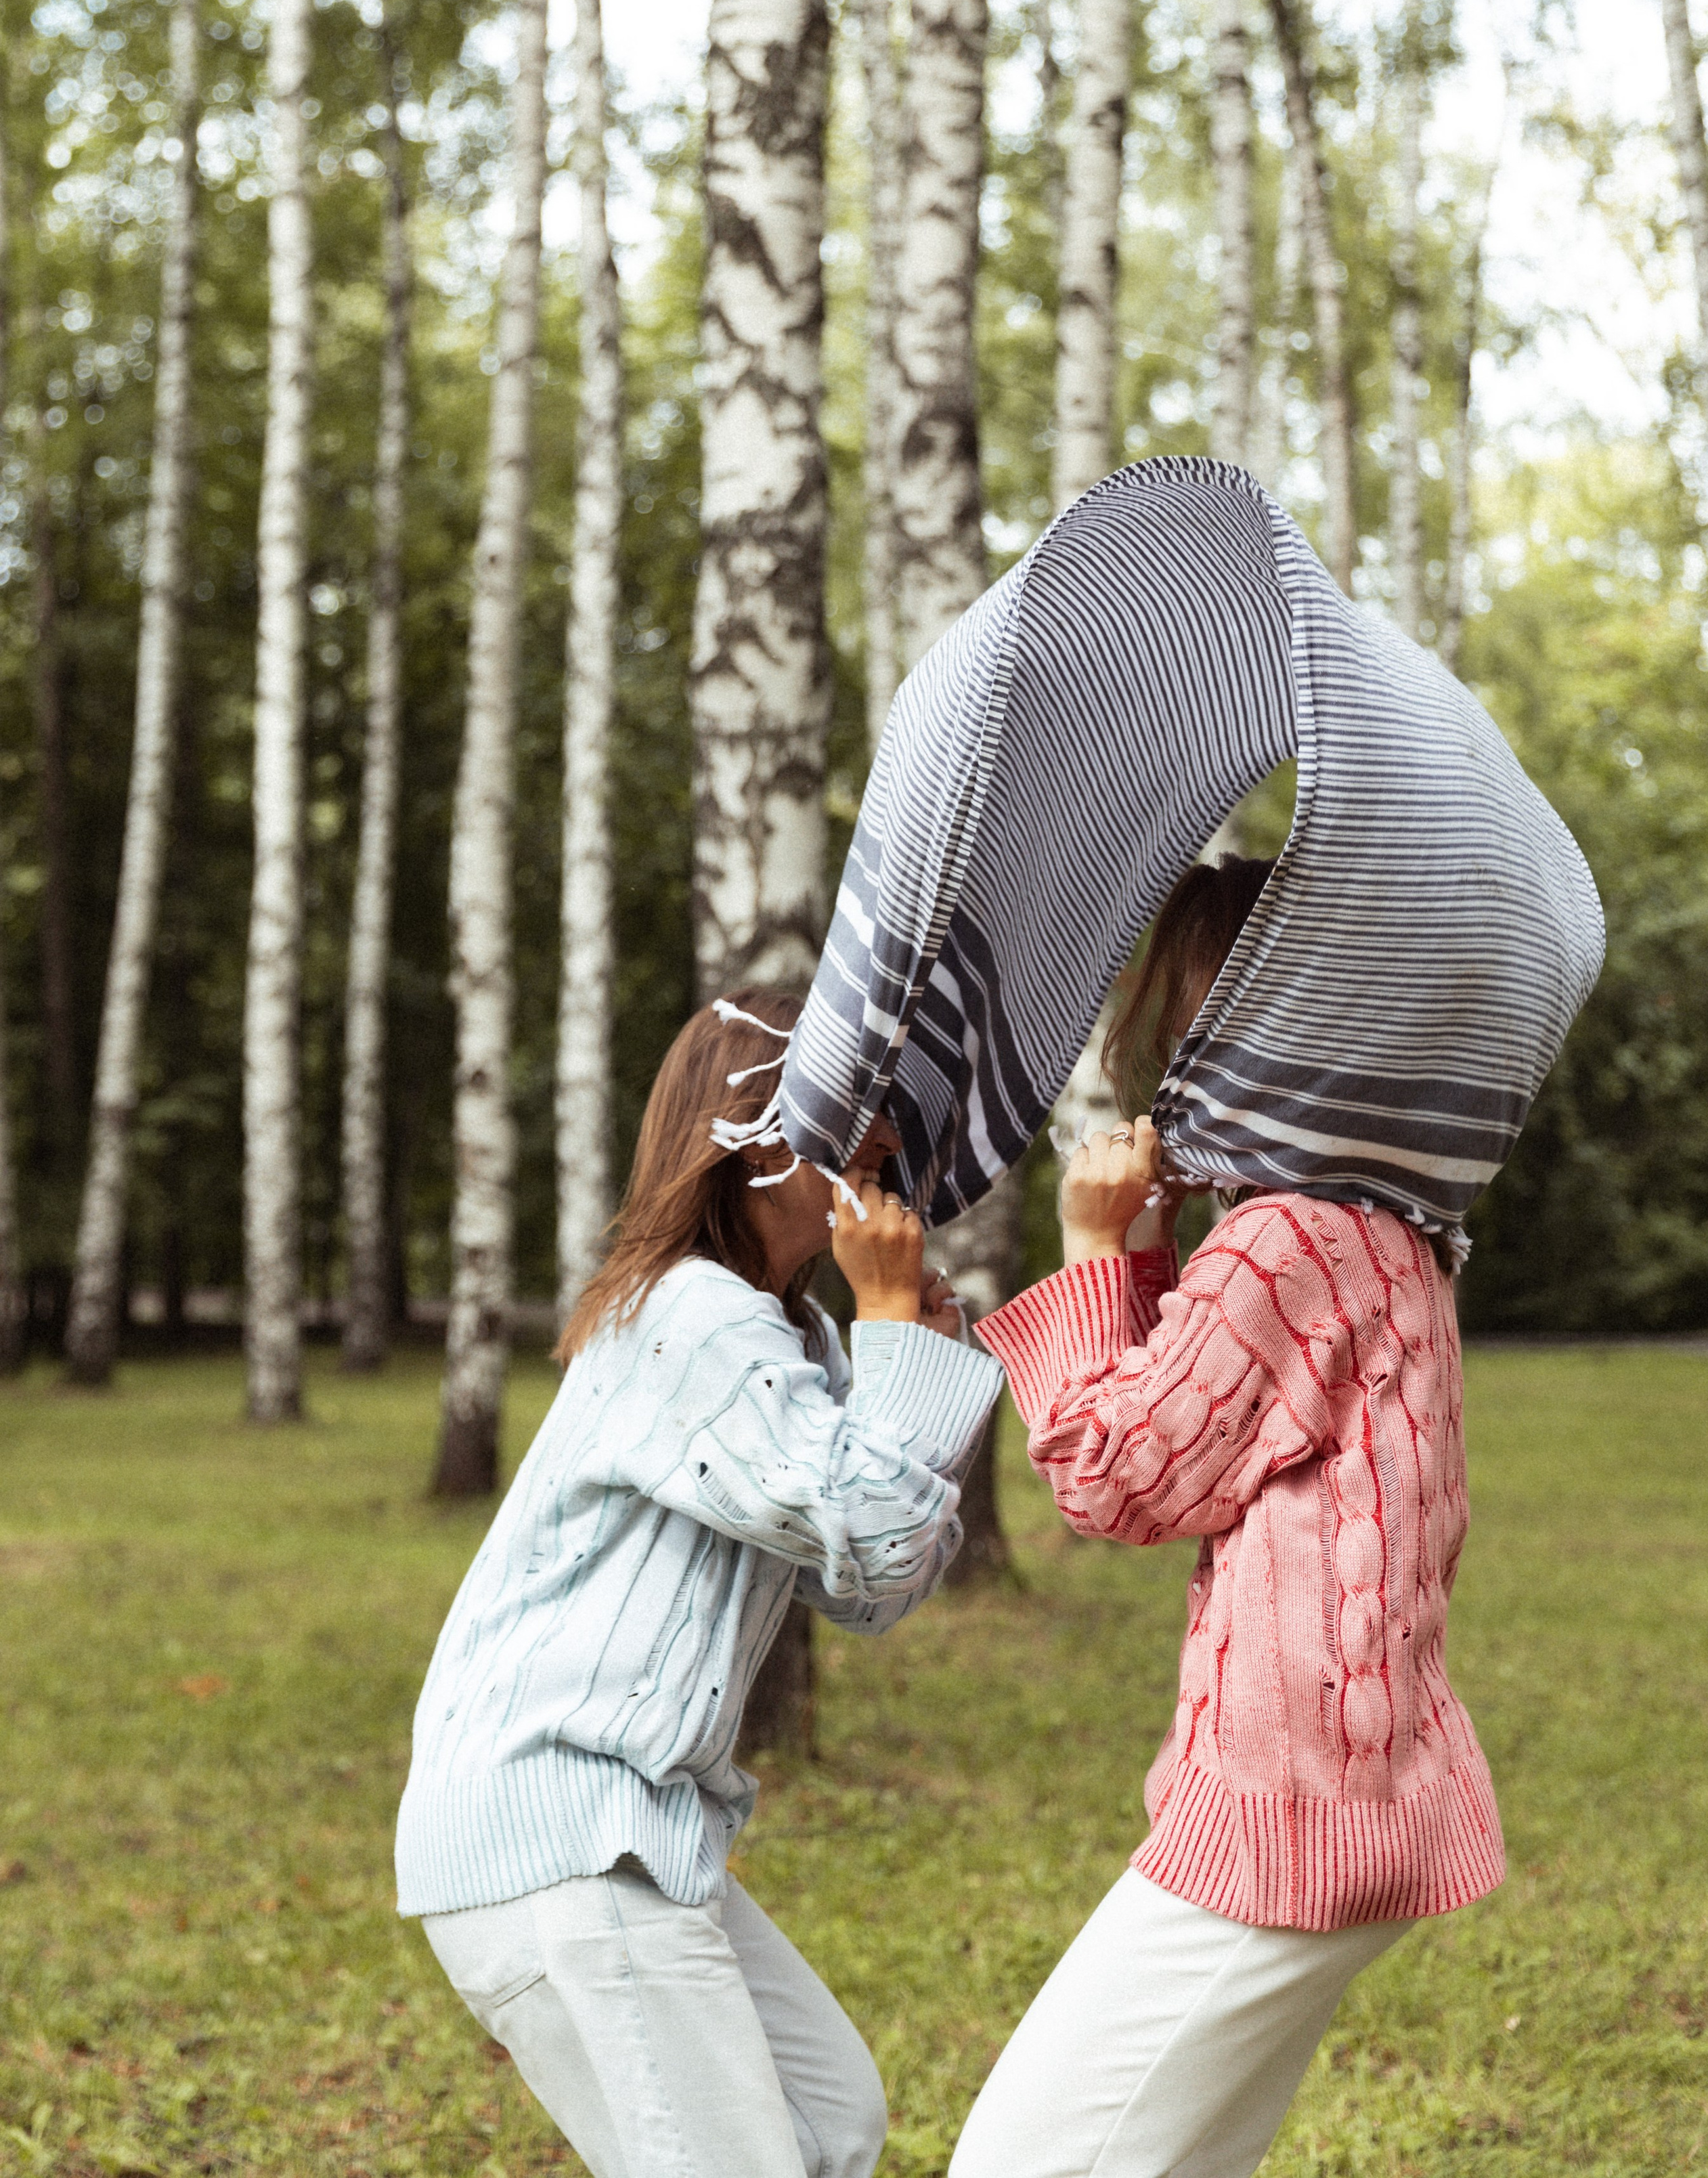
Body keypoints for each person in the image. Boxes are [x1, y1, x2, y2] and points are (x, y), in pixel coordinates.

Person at [955, 856, 1505, 2178]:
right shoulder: (1384, 1228)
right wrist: (1155, 1260)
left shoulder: (1286, 1243)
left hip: (1281, 1820)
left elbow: (1115, 1475)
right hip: (1358, 1795)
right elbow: (1207, 1431)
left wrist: (1091, 1253)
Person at [397, 990, 1002, 2178]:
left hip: (642, 1829)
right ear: (762, 1134)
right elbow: (878, 1533)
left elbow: (873, 1591)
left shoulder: (792, 1339)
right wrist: (892, 1332)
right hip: (560, 1825)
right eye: (857, 1107)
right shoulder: (690, 1320)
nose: (887, 1140)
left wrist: (906, 1359)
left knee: (831, 2123)